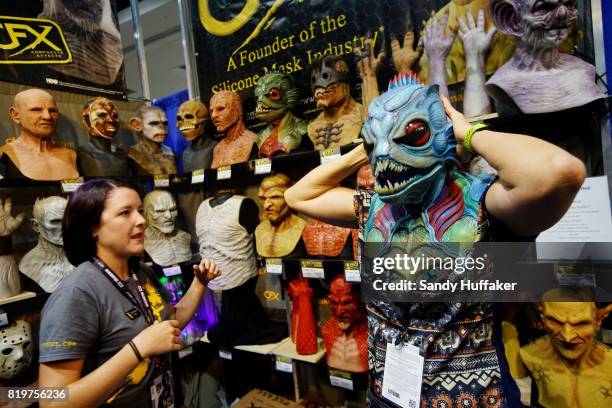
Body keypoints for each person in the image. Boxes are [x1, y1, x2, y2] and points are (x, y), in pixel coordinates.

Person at [285, 89, 585, 406]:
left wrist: (466, 132)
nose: (386, 155)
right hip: (390, 393)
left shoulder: (482, 202)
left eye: (411, 134)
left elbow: (559, 172)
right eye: (378, 145)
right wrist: (367, 147)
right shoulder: (374, 208)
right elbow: (299, 196)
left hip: (473, 397)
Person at [38, 179, 220, 407]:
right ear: (93, 227)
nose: (142, 220)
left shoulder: (140, 272)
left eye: (140, 211)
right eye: (125, 213)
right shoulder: (76, 294)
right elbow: (52, 402)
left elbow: (168, 323)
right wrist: (138, 348)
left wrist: (199, 284)